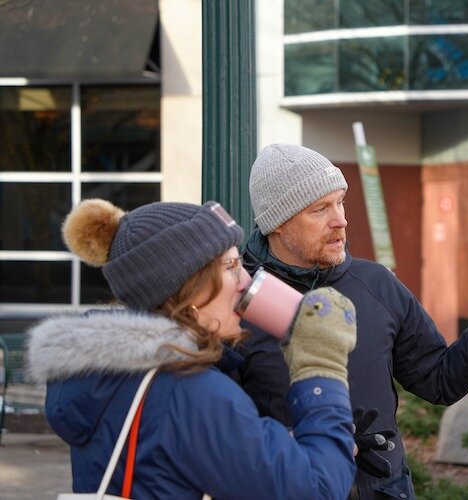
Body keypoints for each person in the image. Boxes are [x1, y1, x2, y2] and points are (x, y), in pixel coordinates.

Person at [236, 143, 468, 499]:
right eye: (319, 209)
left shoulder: (377, 284)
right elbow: (224, 436)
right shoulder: (236, 304)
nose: (340, 219)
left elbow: (440, 380)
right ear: (277, 224)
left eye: (340, 202)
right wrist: (300, 442)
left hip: (386, 488)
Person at [26, 198, 358, 499]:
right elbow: (317, 489)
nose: (247, 281)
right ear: (187, 288)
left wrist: (263, 440)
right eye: (230, 266)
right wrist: (321, 369)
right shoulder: (190, 392)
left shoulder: (108, 376)